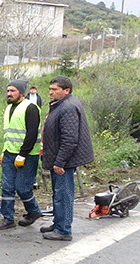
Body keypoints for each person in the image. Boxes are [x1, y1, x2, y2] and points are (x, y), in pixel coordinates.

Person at [40, 75, 94, 241]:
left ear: (66, 90)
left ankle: (63, 230)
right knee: (59, 194)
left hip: (64, 161)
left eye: (54, 89)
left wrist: (60, 162)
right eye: (50, 89)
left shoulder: (68, 107)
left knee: (63, 195)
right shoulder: (62, 104)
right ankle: (58, 223)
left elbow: (70, 139)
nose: (50, 92)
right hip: (60, 158)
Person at [0, 78, 42, 231]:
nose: (9, 94)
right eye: (8, 91)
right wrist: (4, 151)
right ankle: (8, 218)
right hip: (9, 153)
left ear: (21, 92)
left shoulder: (31, 108)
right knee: (7, 187)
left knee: (22, 187)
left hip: (27, 155)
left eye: (12, 91)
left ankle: (34, 211)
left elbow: (32, 133)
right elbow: (9, 133)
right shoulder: (8, 108)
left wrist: (23, 154)